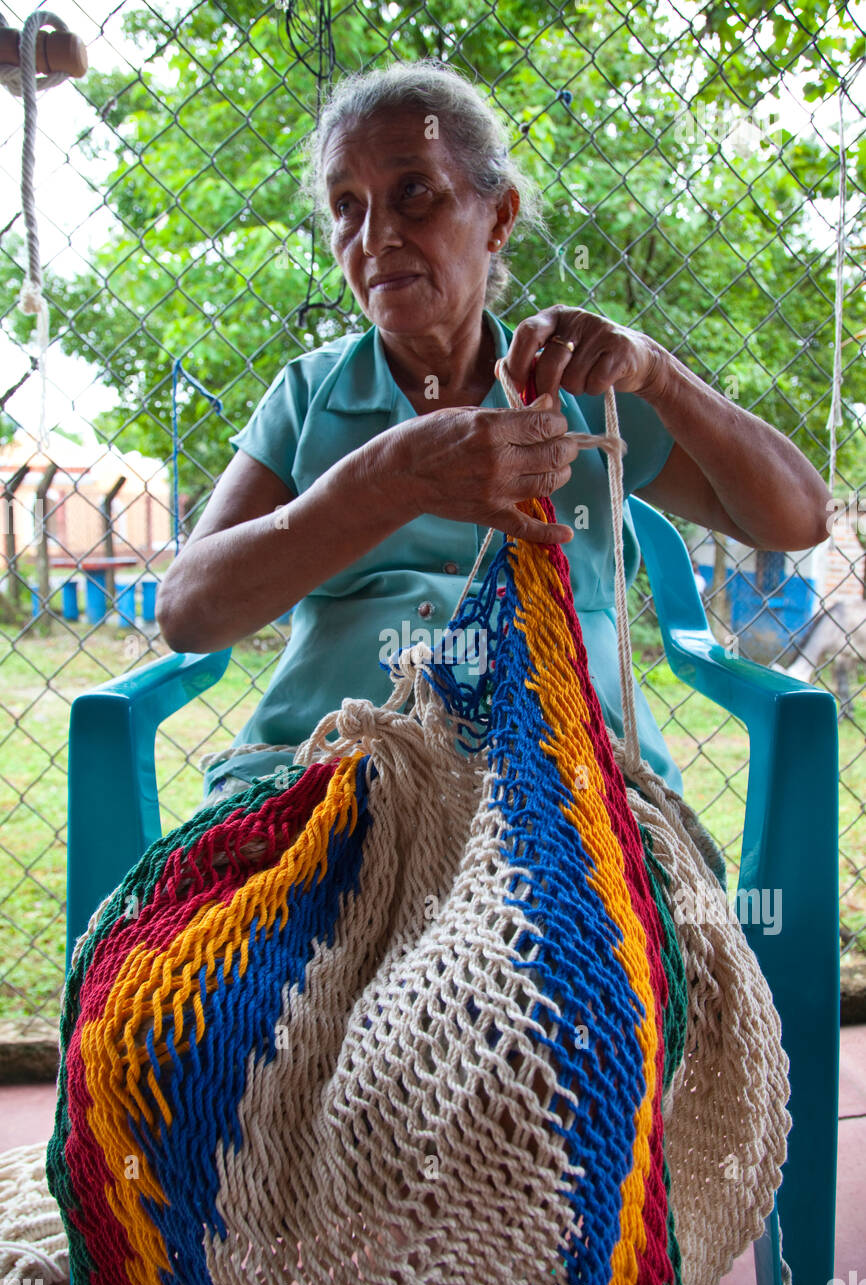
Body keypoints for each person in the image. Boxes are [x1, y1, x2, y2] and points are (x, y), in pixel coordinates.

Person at [155, 60, 831, 808]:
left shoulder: (581, 387)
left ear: (499, 216)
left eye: (413, 192)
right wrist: (388, 479)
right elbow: (189, 613)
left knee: (567, 918)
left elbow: (798, 519)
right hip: (323, 777)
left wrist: (662, 375)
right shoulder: (312, 397)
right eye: (348, 205)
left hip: (569, 779)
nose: (375, 237)